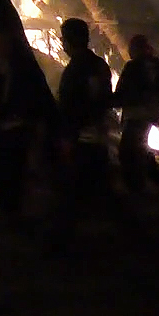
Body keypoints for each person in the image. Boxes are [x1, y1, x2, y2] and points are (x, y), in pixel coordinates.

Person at [0, 30, 55, 220]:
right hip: (0, 128)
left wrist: (35, 119)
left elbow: (39, 97)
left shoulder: (24, 69)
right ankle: (6, 209)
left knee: (17, 168)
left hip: (20, 127)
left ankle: (17, 209)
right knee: (1, 169)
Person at [49, 18, 119, 245]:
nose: (62, 44)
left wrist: (69, 137)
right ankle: (130, 231)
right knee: (100, 189)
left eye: (63, 39)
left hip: (82, 138)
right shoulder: (98, 64)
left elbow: (74, 106)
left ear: (71, 40)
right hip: (96, 136)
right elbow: (103, 99)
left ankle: (60, 241)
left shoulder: (76, 69)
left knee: (70, 190)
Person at [113, 34, 159, 193]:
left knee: (127, 151)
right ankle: (158, 179)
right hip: (152, 114)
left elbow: (121, 94)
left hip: (136, 115)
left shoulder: (133, 66)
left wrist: (108, 101)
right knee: (141, 148)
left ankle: (137, 187)